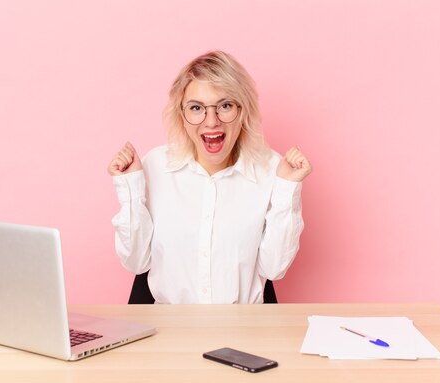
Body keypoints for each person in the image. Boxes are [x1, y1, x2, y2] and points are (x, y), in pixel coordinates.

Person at [107, 51, 312, 304]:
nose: (211, 121)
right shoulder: (155, 166)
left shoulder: (271, 168)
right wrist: (131, 188)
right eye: (196, 108)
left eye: (225, 106)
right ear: (182, 115)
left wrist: (287, 189)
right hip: (169, 331)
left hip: (243, 329)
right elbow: (136, 261)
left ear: (243, 110)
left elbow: (274, 269)